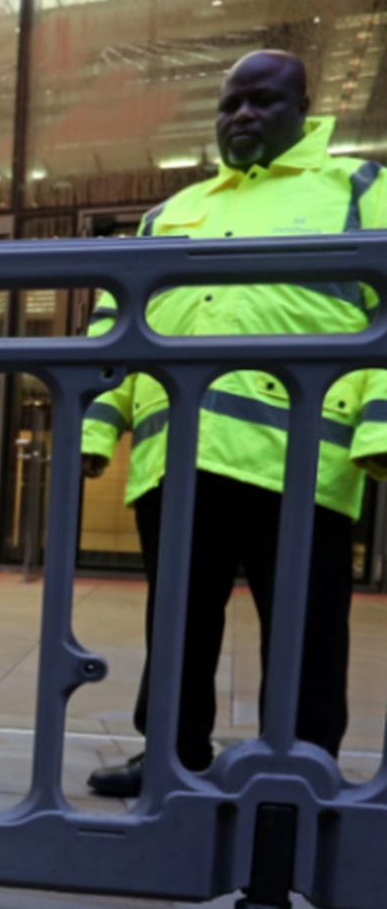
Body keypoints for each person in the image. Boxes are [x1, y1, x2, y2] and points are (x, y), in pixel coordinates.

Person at [80, 50, 387, 798]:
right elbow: (116, 322)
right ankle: (170, 756)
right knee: (177, 622)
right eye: (230, 104)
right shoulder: (169, 212)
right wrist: (95, 428)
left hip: (301, 454)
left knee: (306, 626)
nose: (242, 114)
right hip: (178, 455)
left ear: (305, 109)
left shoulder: (360, 188)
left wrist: (379, 428)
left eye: (263, 100)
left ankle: (302, 763)